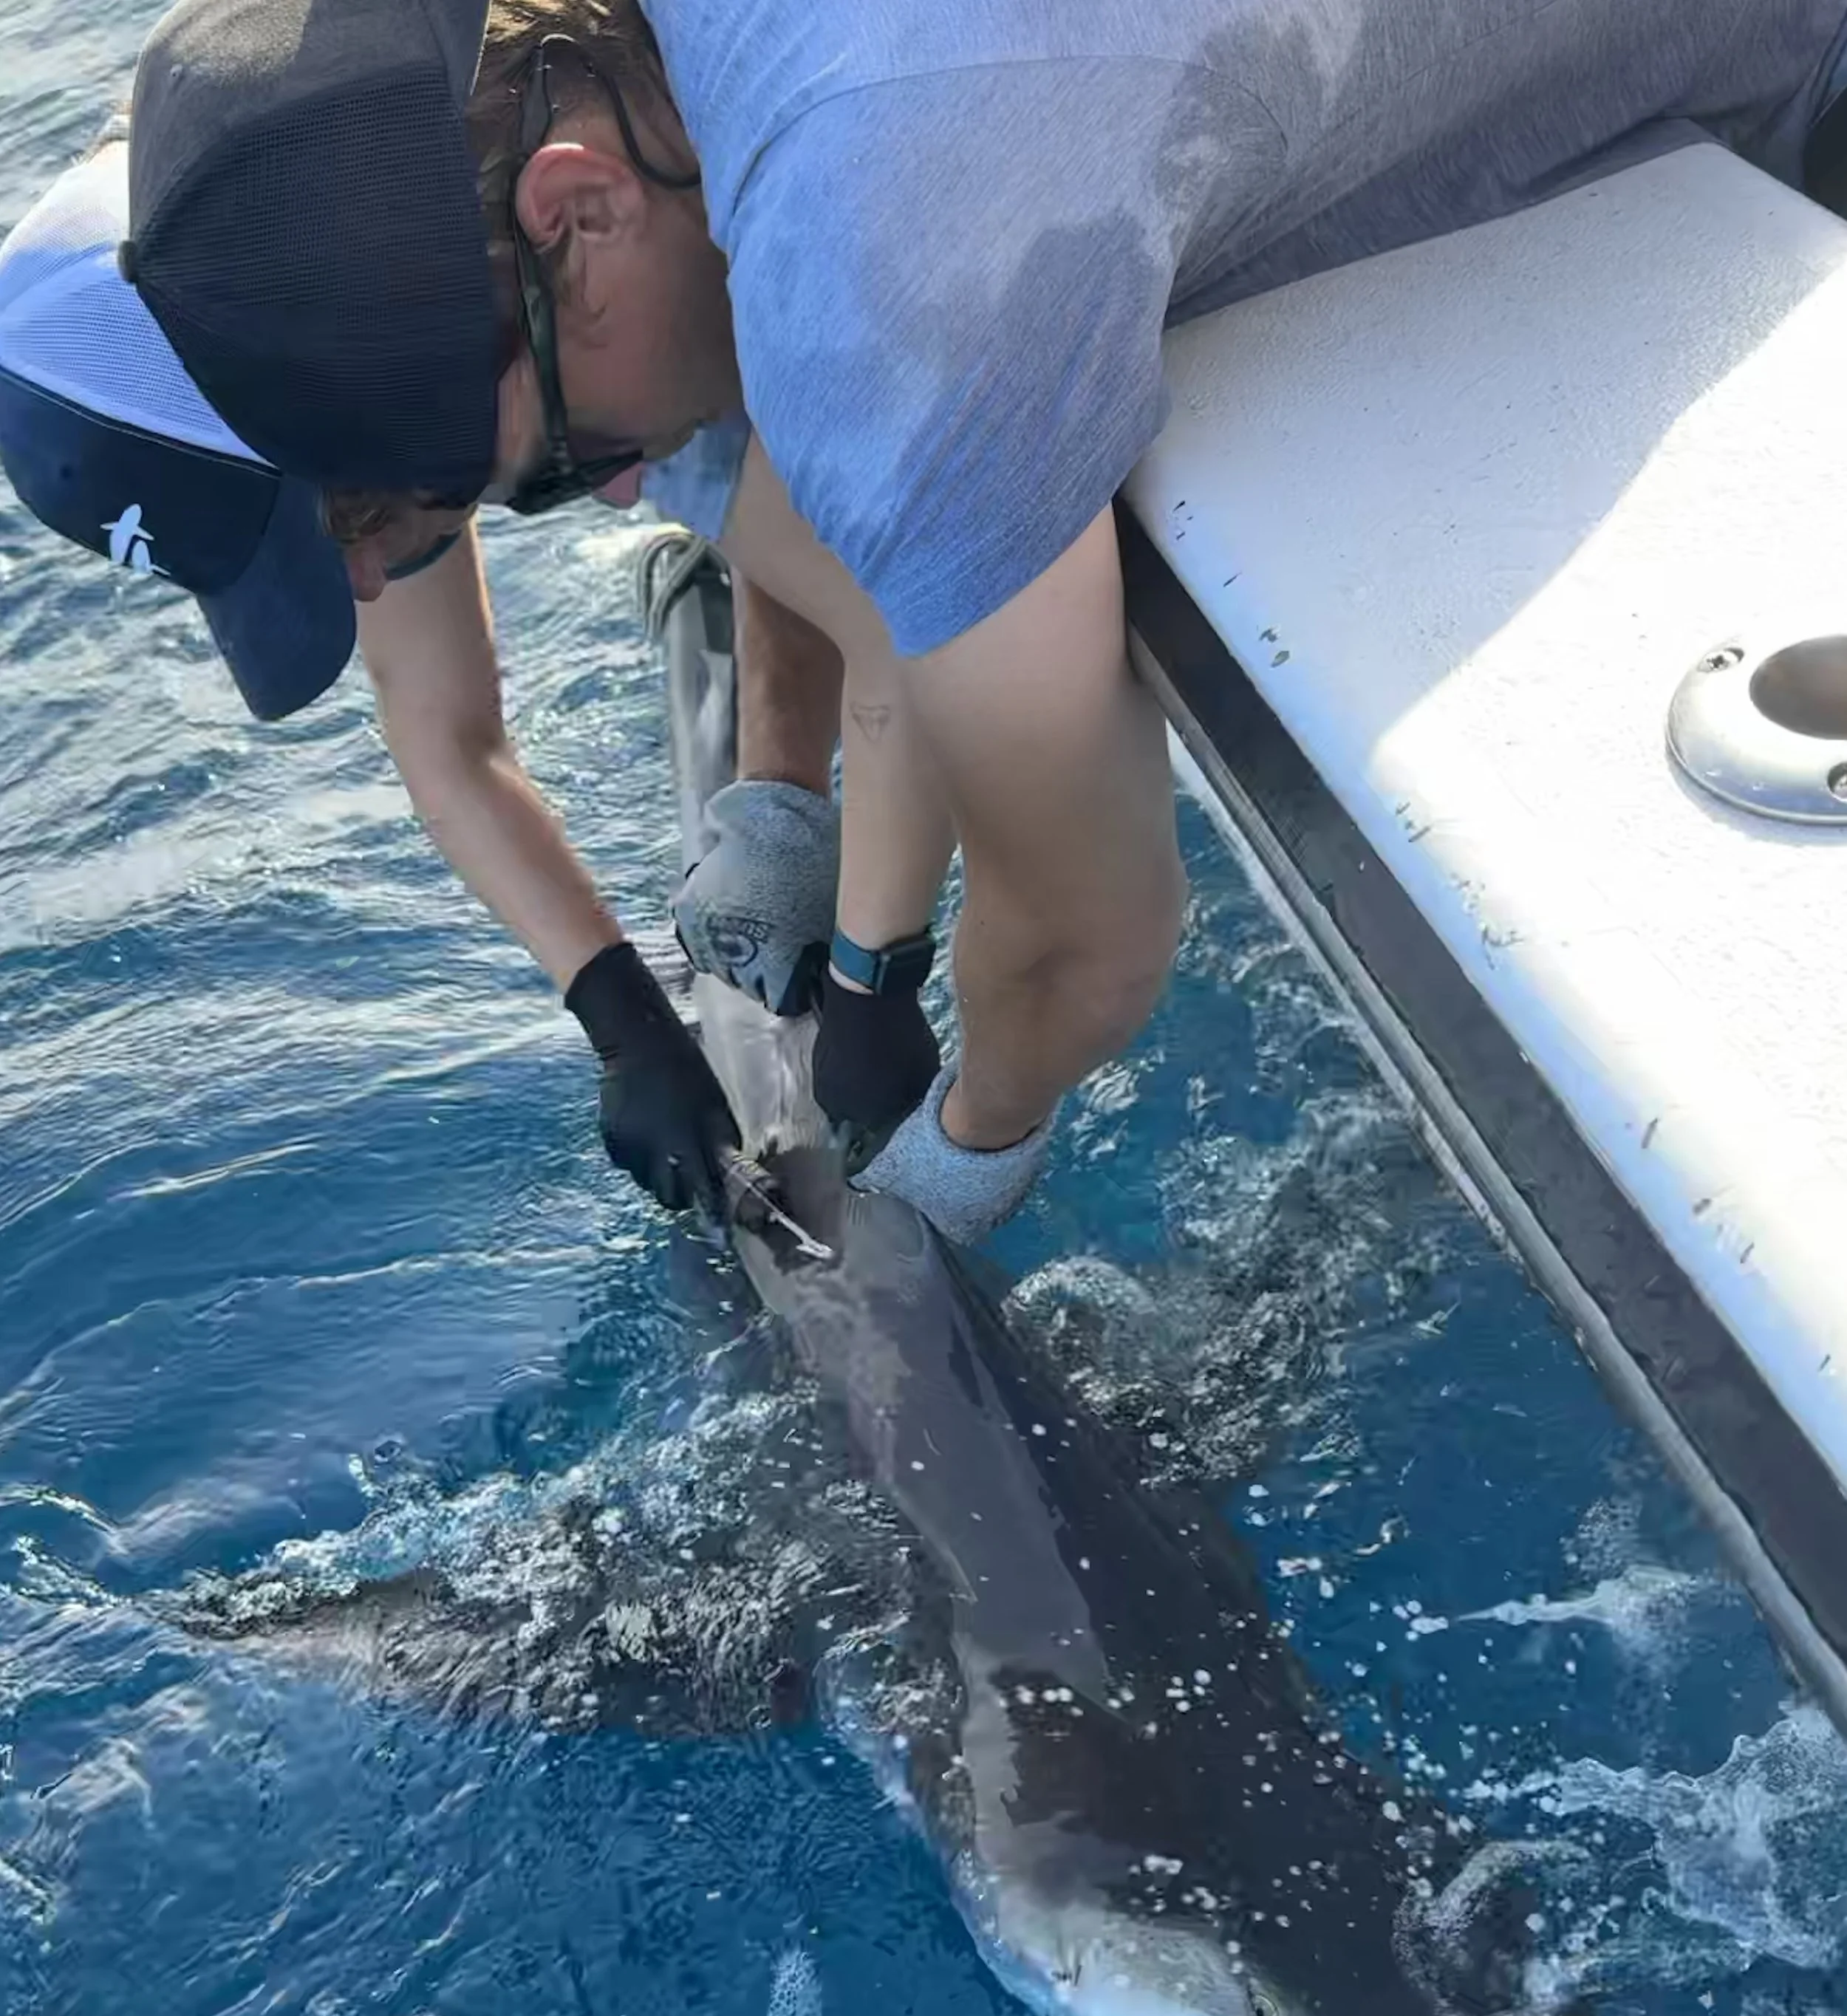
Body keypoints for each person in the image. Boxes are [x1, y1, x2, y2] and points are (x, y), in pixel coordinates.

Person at [114, 0, 1847, 1234]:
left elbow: (1094, 935)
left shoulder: (880, 252)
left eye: (558, 463)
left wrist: (960, 1150)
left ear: (572, 205)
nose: (633, 486)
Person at [0, 127, 924, 1224]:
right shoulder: (333, 370)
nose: (368, 579)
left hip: (755, 211)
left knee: (783, 490)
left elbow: (902, 612)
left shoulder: (563, 241)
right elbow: (445, 731)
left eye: (344, 518)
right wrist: (621, 1015)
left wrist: (878, 966)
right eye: (303, 549)